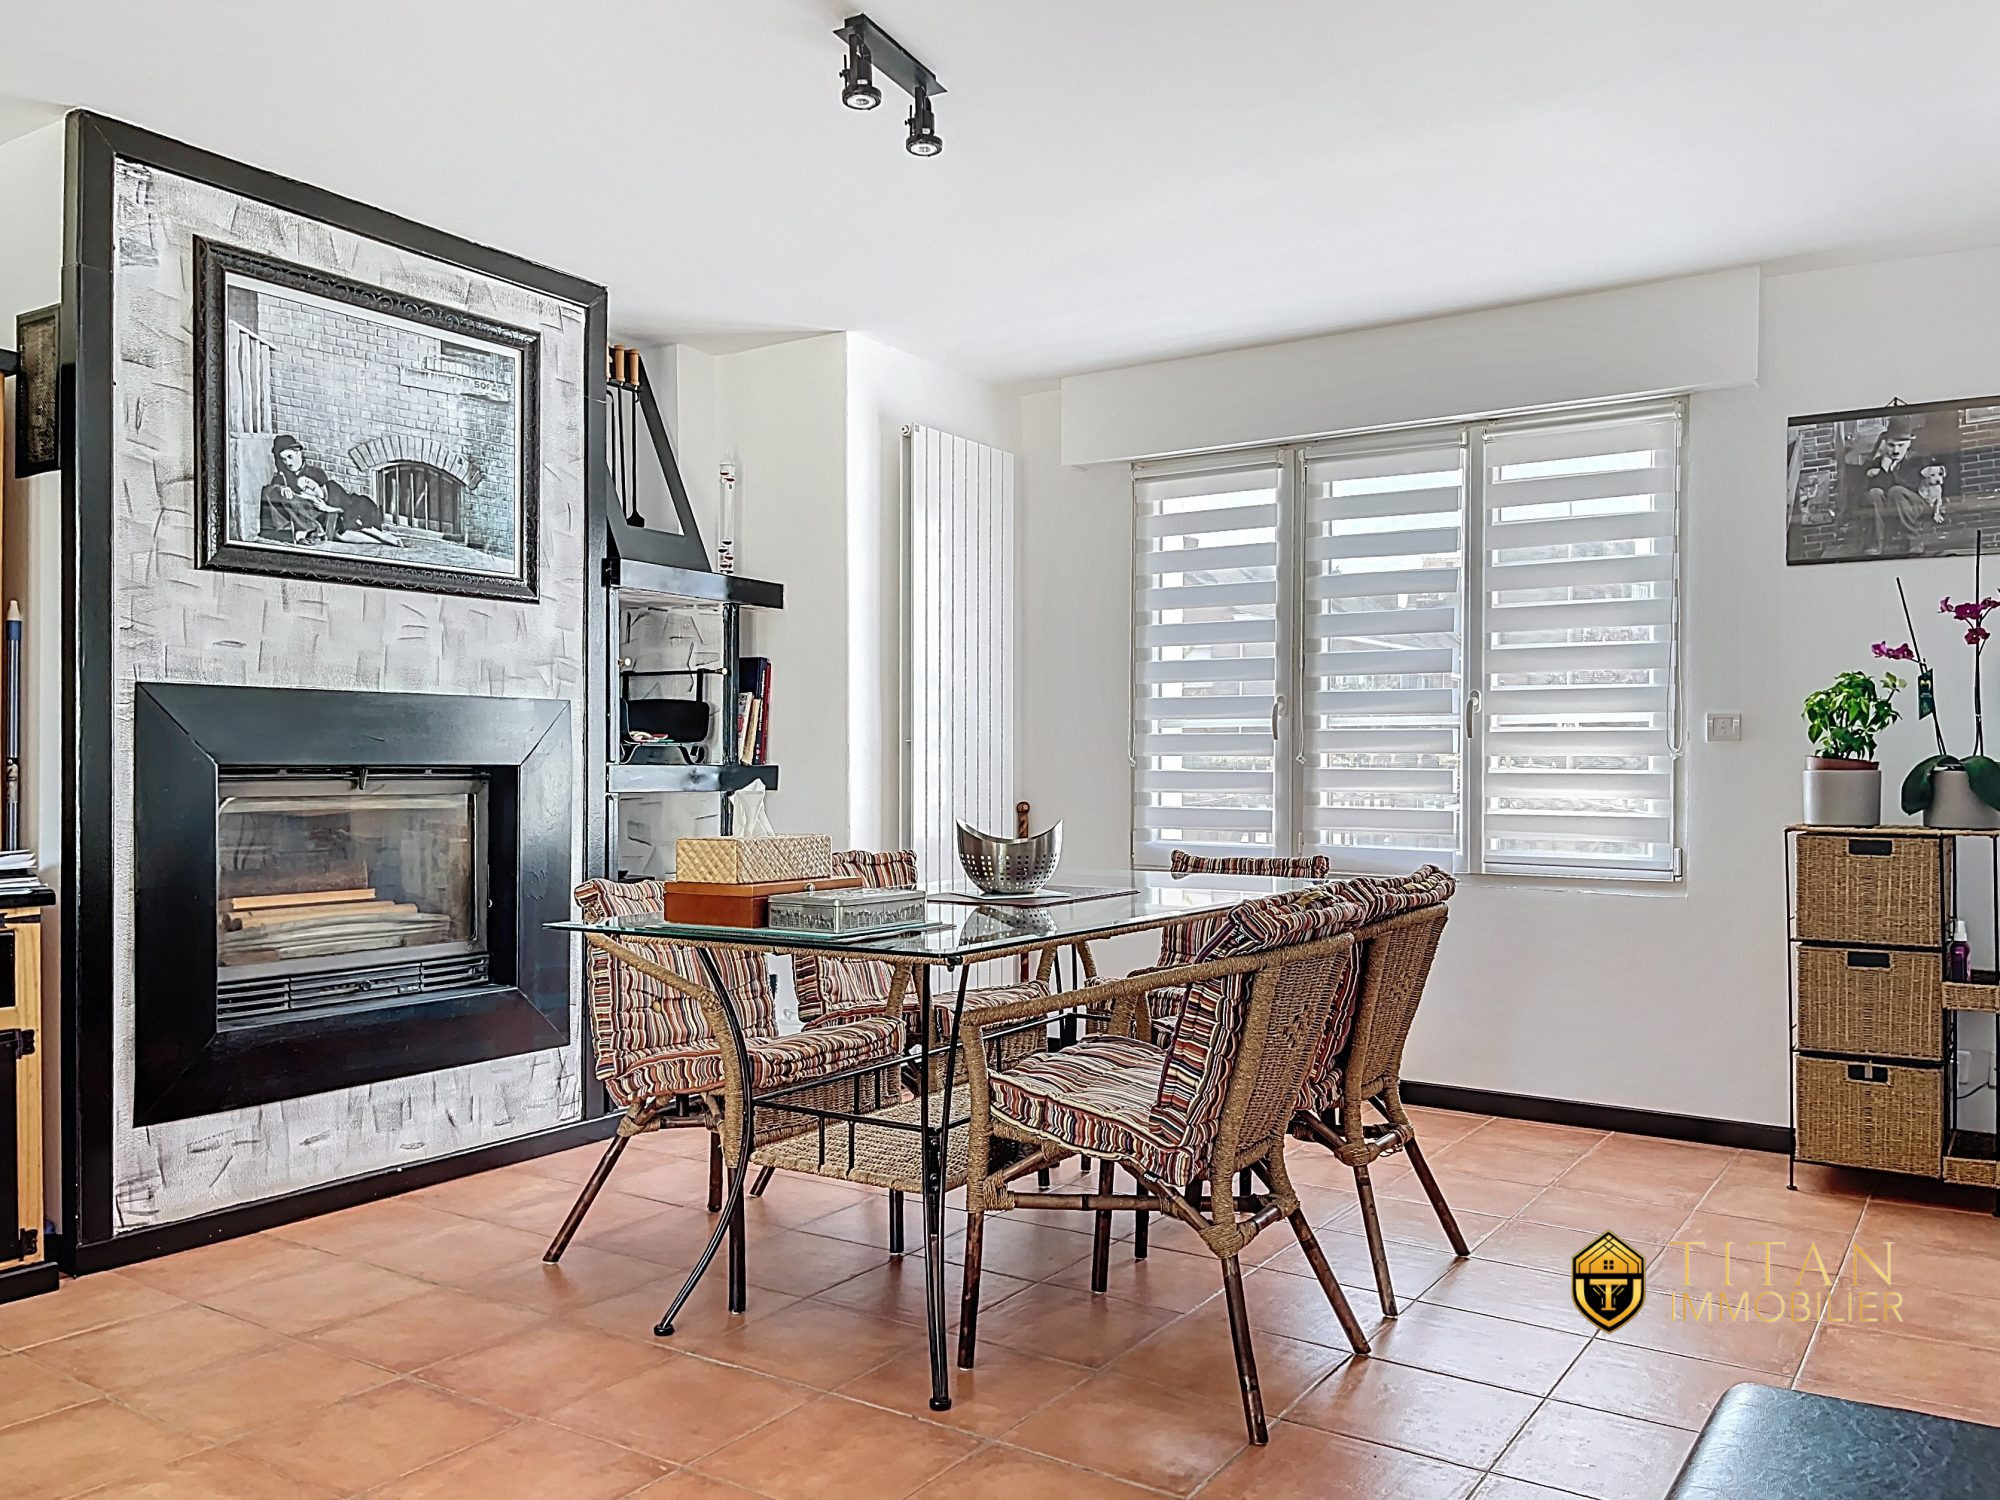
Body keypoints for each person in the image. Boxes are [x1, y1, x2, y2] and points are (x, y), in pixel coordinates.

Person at [296, 465, 403, 547]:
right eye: (304, 488)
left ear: (314, 479)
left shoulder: (332, 487)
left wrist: (326, 508)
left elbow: (346, 509)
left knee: (352, 525)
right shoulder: (315, 500)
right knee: (340, 534)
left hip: (358, 509)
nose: (308, 487)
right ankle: (379, 542)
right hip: (345, 521)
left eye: (307, 482)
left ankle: (384, 537)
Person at [258, 434, 323, 544]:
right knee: (273, 491)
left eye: (290, 457)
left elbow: (324, 499)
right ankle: (305, 532)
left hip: (314, 512)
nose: (287, 463)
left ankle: (311, 529)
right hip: (294, 517)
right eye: (283, 459)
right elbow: (271, 493)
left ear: (298, 453)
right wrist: (281, 488)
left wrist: (307, 496)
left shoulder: (316, 473)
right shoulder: (283, 476)